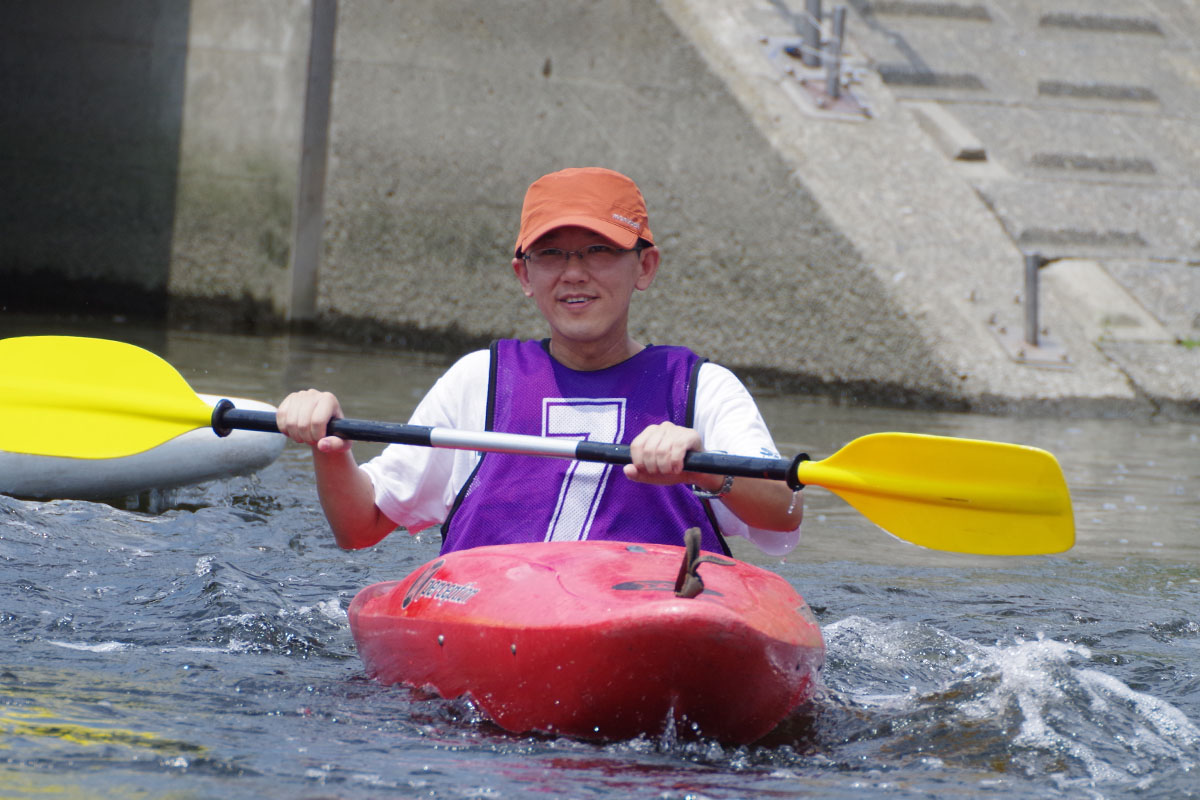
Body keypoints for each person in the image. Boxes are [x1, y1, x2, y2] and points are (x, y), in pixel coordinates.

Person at [276, 167, 802, 557]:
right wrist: (329, 447)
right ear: (524, 276)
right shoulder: (479, 381)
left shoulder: (700, 389)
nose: (573, 273)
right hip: (493, 624)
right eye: (551, 254)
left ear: (645, 266)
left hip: (653, 620)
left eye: (598, 250)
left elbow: (786, 514)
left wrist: (707, 468)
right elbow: (360, 526)